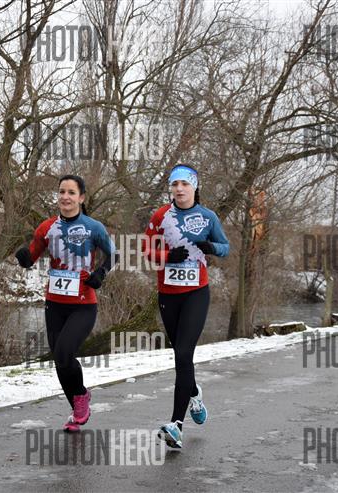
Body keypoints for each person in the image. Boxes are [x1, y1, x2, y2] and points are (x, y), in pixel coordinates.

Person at [15, 175, 115, 432]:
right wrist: (23, 258)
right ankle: (78, 407)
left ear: (81, 198)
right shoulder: (46, 227)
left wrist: (101, 273)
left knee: (64, 351)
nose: (65, 197)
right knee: (60, 360)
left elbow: (114, 254)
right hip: (55, 303)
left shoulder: (93, 227)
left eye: (71, 192)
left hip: (83, 304)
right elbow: (31, 257)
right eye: (62, 191)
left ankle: (80, 398)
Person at [142, 164, 229, 449]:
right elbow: (146, 250)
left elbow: (225, 247)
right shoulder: (160, 216)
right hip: (168, 294)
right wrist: (167, 256)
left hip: (196, 293)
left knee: (183, 353)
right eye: (175, 184)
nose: (179, 189)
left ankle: (176, 425)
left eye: (184, 184)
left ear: (194, 187)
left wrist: (212, 248)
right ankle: (194, 393)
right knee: (181, 357)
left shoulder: (208, 217)